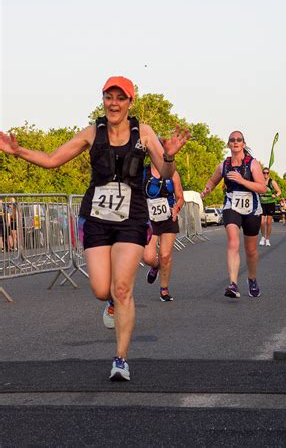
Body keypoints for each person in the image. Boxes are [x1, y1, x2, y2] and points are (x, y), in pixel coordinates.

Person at [0, 76, 190, 382]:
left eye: (120, 97)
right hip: (97, 217)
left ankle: (121, 359)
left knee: (123, 287)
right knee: (102, 289)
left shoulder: (144, 133)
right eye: (108, 96)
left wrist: (169, 155)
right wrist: (18, 151)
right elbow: (52, 160)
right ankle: (113, 302)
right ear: (103, 99)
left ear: (130, 102)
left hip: (132, 218)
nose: (114, 103)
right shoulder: (92, 133)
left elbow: (167, 172)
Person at [201, 130, 266, 298]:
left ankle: (252, 279)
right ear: (229, 144)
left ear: (243, 144)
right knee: (233, 241)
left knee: (251, 250)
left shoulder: (253, 164)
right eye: (232, 140)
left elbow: (262, 187)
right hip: (232, 205)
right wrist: (207, 190)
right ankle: (233, 284)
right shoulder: (224, 165)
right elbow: (213, 180)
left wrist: (242, 180)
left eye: (239, 140)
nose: (235, 142)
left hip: (252, 208)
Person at [143, 162, 184, 302]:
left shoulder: (172, 173)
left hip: (168, 218)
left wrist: (176, 208)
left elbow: (180, 197)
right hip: (149, 219)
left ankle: (164, 289)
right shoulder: (142, 172)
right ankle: (155, 267)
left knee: (165, 255)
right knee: (148, 257)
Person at [259, 167, 281, 247]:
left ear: (269, 174)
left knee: (268, 222)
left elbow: (279, 192)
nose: (265, 174)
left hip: (270, 203)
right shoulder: (259, 181)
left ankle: (267, 239)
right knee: (261, 222)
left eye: (267, 173)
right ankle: (263, 237)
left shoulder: (272, 182)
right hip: (262, 203)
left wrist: (275, 195)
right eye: (264, 173)